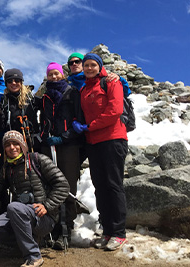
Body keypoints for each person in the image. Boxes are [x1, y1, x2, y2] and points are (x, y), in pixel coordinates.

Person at [0, 130, 69, 267]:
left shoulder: (37, 159)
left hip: (44, 217)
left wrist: (47, 205)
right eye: (8, 145)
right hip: (20, 214)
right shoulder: (7, 167)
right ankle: (27, 243)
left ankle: (34, 256)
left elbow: (63, 185)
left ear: (22, 145)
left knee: (13, 207)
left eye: (16, 144)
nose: (12, 148)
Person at [72, 53, 128, 251]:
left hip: (113, 139)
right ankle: (108, 231)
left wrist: (89, 126)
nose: (88, 68)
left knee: (114, 185)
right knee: (100, 186)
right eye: (86, 65)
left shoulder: (111, 82)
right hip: (93, 142)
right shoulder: (84, 88)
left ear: (99, 66)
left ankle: (119, 233)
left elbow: (115, 110)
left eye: (92, 65)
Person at [36, 62, 84, 249]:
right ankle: (51, 229)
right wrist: (43, 136)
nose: (54, 77)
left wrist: (63, 137)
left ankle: (66, 229)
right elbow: (40, 119)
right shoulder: (45, 96)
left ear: (62, 74)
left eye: (56, 73)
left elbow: (79, 120)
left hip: (69, 145)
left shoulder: (72, 93)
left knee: (68, 186)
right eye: (50, 74)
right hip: (50, 145)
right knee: (49, 186)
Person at [0, 68, 40, 152]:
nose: (13, 83)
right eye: (10, 81)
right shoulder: (4, 103)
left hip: (32, 143)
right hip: (13, 146)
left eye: (17, 80)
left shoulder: (32, 99)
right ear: (6, 84)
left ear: (21, 82)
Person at [66, 52, 131, 95]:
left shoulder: (101, 79)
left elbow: (126, 92)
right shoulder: (68, 86)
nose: (74, 64)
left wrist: (119, 79)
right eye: (70, 63)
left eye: (77, 61)